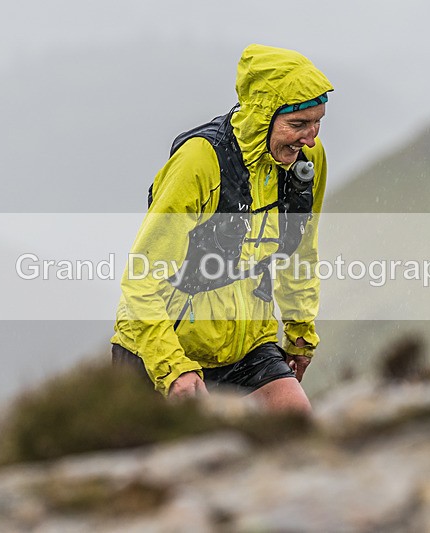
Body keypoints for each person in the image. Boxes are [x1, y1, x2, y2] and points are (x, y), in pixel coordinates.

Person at [111, 44, 333, 412]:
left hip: (248, 348)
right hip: (162, 350)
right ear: (264, 117)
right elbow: (142, 279)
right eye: (297, 124)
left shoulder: (307, 160)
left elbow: (301, 252)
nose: (309, 137)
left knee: (298, 434)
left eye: (317, 122)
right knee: (165, 468)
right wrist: (173, 367)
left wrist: (300, 332)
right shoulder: (199, 162)